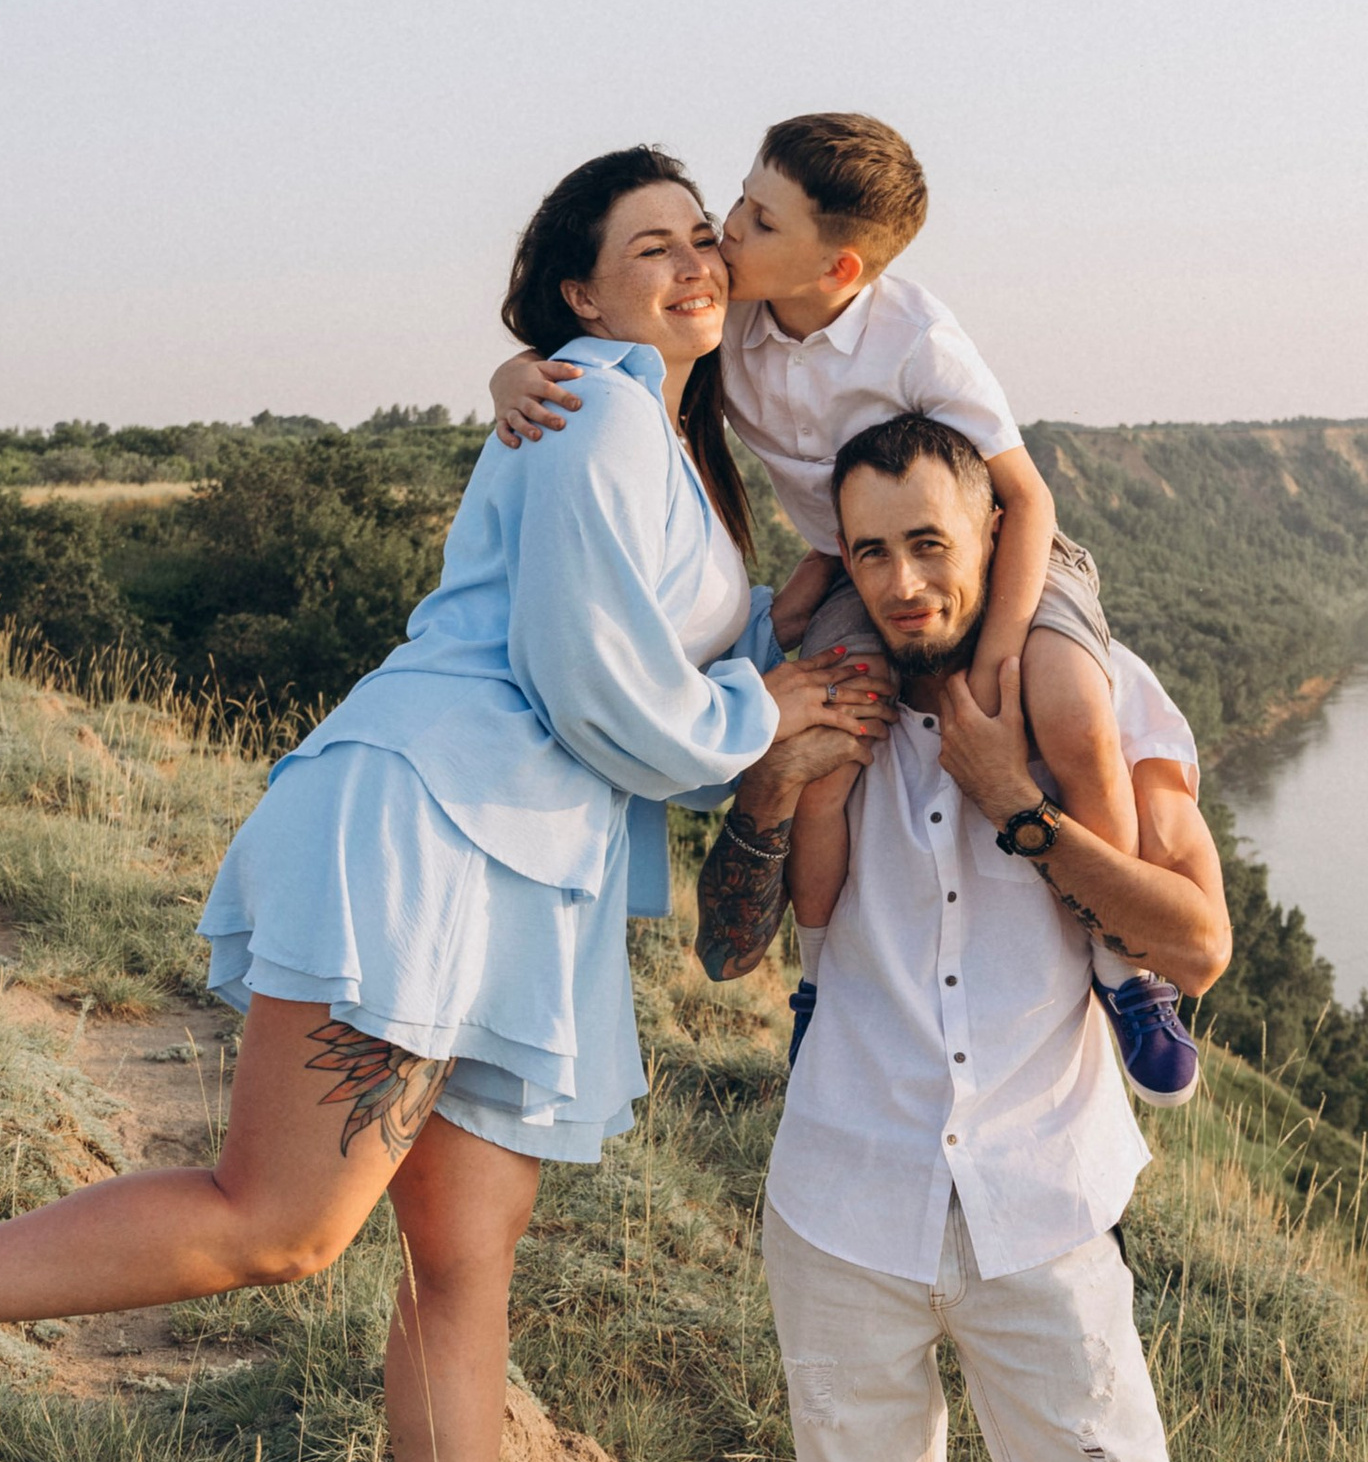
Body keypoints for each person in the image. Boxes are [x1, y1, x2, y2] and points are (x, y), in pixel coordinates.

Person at [0, 149, 889, 1462]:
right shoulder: (598, 409)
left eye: (702, 243)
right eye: (649, 247)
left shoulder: (653, 436)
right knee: (284, 1220)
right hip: (429, 829)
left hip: (515, 873)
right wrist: (760, 712)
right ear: (578, 296)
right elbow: (588, 676)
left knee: (464, 1254)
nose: (693, 266)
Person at [693, 409, 1309, 1462]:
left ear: (992, 533)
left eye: (929, 544)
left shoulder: (1082, 686)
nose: (900, 579)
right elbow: (745, 941)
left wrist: (1018, 804)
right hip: (849, 1196)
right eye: (869, 547)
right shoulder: (825, 689)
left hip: (1042, 1210)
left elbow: (1195, 940)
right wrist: (776, 770)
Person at [491, 112, 1196, 1107]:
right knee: (824, 746)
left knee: (1073, 710)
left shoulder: (916, 339)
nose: (727, 231)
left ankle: (1128, 970)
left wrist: (1000, 655)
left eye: (758, 220)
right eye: (737, 200)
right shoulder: (726, 309)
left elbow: (1028, 499)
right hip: (859, 570)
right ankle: (818, 978)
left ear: (837, 266)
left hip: (999, 556)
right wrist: (515, 372)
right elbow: (608, 343)